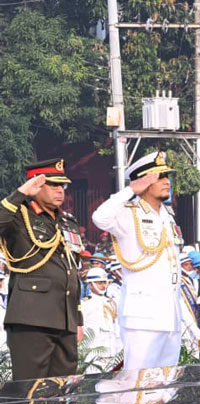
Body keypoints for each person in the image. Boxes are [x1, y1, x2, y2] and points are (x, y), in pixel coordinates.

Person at [92, 151, 184, 370]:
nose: (166, 181)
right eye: (159, 177)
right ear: (143, 182)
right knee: (138, 382)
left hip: (170, 315)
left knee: (166, 381)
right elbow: (99, 218)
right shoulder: (128, 214)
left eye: (167, 176)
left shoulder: (167, 215)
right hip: (142, 317)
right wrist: (130, 190)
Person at [0, 159, 84, 380]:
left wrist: (77, 319)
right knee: (30, 389)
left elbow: (72, 272)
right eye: (53, 185)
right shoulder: (19, 215)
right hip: (32, 320)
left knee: (62, 390)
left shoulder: (68, 222)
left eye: (62, 185)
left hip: (65, 321)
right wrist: (21, 193)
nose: (60, 190)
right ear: (35, 186)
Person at [80, 268, 121, 373]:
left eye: (105, 282)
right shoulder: (84, 304)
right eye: (99, 283)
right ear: (90, 284)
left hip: (111, 353)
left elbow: (116, 328)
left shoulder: (111, 302)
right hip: (93, 354)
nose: (103, 286)